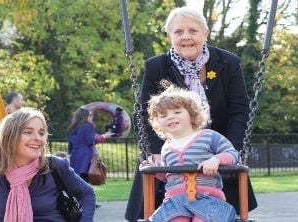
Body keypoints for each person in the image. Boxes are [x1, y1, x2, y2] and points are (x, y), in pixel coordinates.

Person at [125, 6, 257, 221]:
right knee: (162, 209)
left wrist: (230, 151)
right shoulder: (157, 67)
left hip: (214, 150)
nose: (186, 37)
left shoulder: (227, 63)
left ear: (205, 33)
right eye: (178, 32)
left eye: (193, 31)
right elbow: (143, 114)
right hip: (172, 151)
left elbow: (240, 110)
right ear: (169, 36)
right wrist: (156, 153)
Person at [0, 107, 96, 221]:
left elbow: (86, 193)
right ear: (9, 135)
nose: (38, 138)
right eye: (28, 132)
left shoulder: (53, 165)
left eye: (41, 133)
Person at [141, 85, 238, 221]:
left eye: (177, 112)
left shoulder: (209, 136)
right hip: (175, 201)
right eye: (163, 115)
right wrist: (155, 170)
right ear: (158, 122)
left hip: (207, 197)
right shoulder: (166, 147)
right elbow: (169, 176)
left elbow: (232, 153)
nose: (170, 117)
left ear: (192, 115)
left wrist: (216, 160)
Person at [67, 108, 113, 182]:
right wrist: (104, 137)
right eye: (90, 115)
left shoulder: (72, 127)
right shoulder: (88, 125)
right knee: (85, 182)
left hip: (74, 156)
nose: (91, 116)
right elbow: (90, 141)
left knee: (77, 181)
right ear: (85, 116)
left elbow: (70, 145)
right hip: (86, 156)